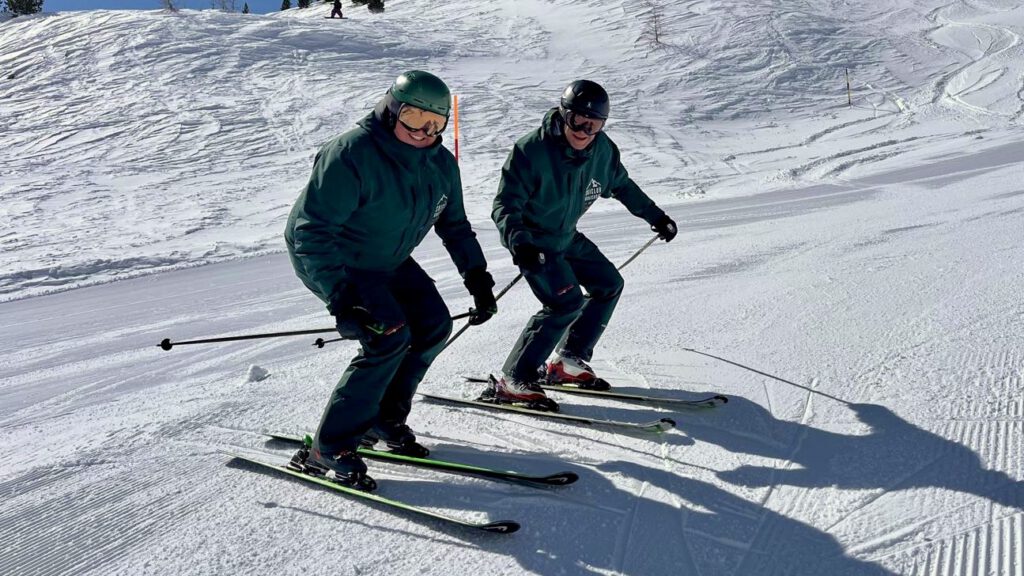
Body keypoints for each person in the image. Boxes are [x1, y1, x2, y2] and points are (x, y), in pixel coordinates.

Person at [284, 71, 497, 490]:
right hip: (339, 259)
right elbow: (311, 230)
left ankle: (384, 419)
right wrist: (341, 299)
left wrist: (478, 279)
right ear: (391, 108)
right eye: (414, 117)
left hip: (389, 258)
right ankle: (329, 447)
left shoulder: (440, 164)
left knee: (434, 325)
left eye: (435, 123)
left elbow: (454, 226)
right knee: (388, 336)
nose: (423, 131)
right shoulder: (352, 154)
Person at [487, 79, 677, 409]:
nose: (585, 130)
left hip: (567, 236)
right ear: (563, 115)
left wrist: (655, 216)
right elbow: (505, 205)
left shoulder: (603, 151)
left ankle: (568, 361)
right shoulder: (531, 150)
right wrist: (519, 243)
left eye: (595, 124)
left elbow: (622, 185)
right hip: (535, 242)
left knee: (609, 283)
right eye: (578, 120)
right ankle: (515, 378)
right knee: (565, 302)